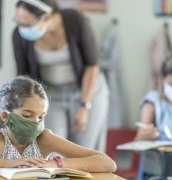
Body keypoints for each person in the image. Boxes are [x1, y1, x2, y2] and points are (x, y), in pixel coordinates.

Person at [0, 76, 116, 174]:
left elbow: (107, 163)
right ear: (6, 116)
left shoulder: (44, 138)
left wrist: (54, 164)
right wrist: (9, 163)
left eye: (41, 117)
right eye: (27, 115)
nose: (36, 123)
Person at [12, 0, 109, 152]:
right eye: (18, 22)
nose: (21, 28)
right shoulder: (19, 36)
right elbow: (24, 76)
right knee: (52, 149)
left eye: (27, 24)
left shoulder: (76, 21)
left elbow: (91, 66)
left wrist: (84, 106)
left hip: (88, 91)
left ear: (46, 16)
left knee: (83, 150)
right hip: (50, 95)